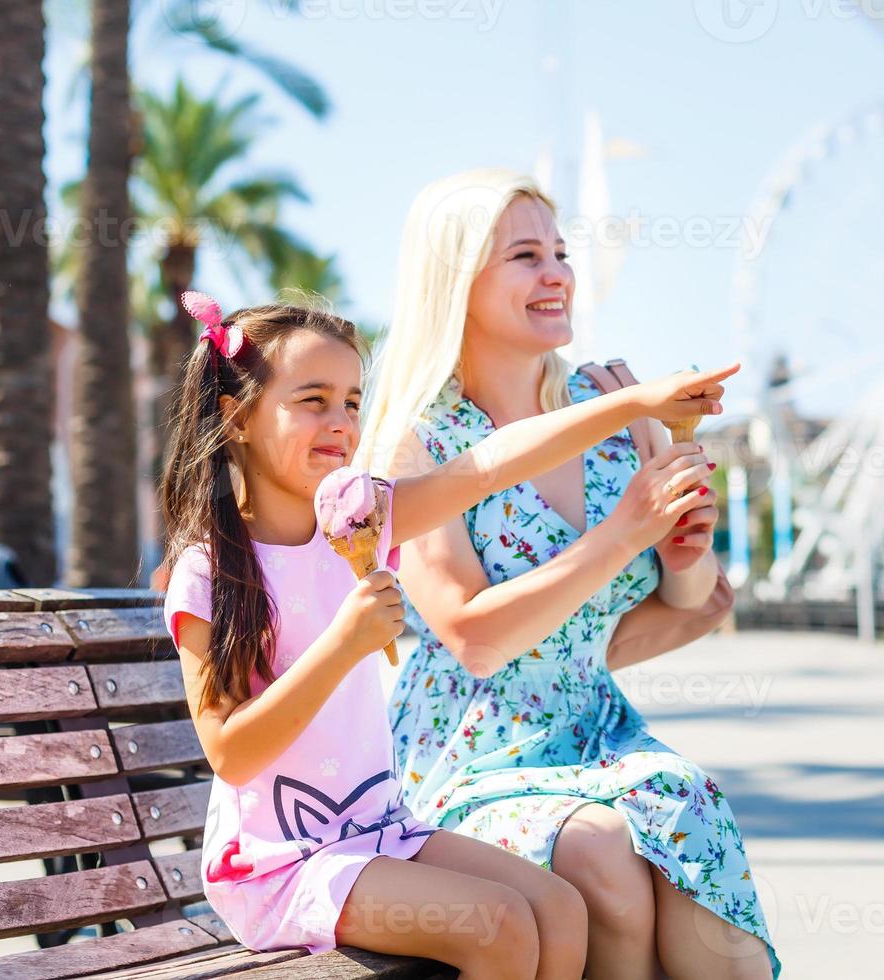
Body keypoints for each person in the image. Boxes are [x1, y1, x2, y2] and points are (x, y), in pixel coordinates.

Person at [158, 290, 735, 976]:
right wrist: (342, 643)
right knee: (499, 928)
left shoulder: (362, 521)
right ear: (238, 416)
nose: (341, 421)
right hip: (281, 865)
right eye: (313, 399)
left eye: (351, 400)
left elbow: (492, 463)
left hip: (378, 831)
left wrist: (638, 404)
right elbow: (230, 752)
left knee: (558, 908)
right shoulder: (212, 571)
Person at [359, 169, 780, 979]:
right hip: (468, 755)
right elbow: (473, 635)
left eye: (559, 251)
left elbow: (689, 599)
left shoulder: (613, 406)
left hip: (597, 732)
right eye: (525, 255)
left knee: (689, 808)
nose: (557, 274)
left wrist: (686, 553)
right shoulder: (416, 443)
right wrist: (626, 533)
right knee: (605, 865)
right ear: (456, 282)